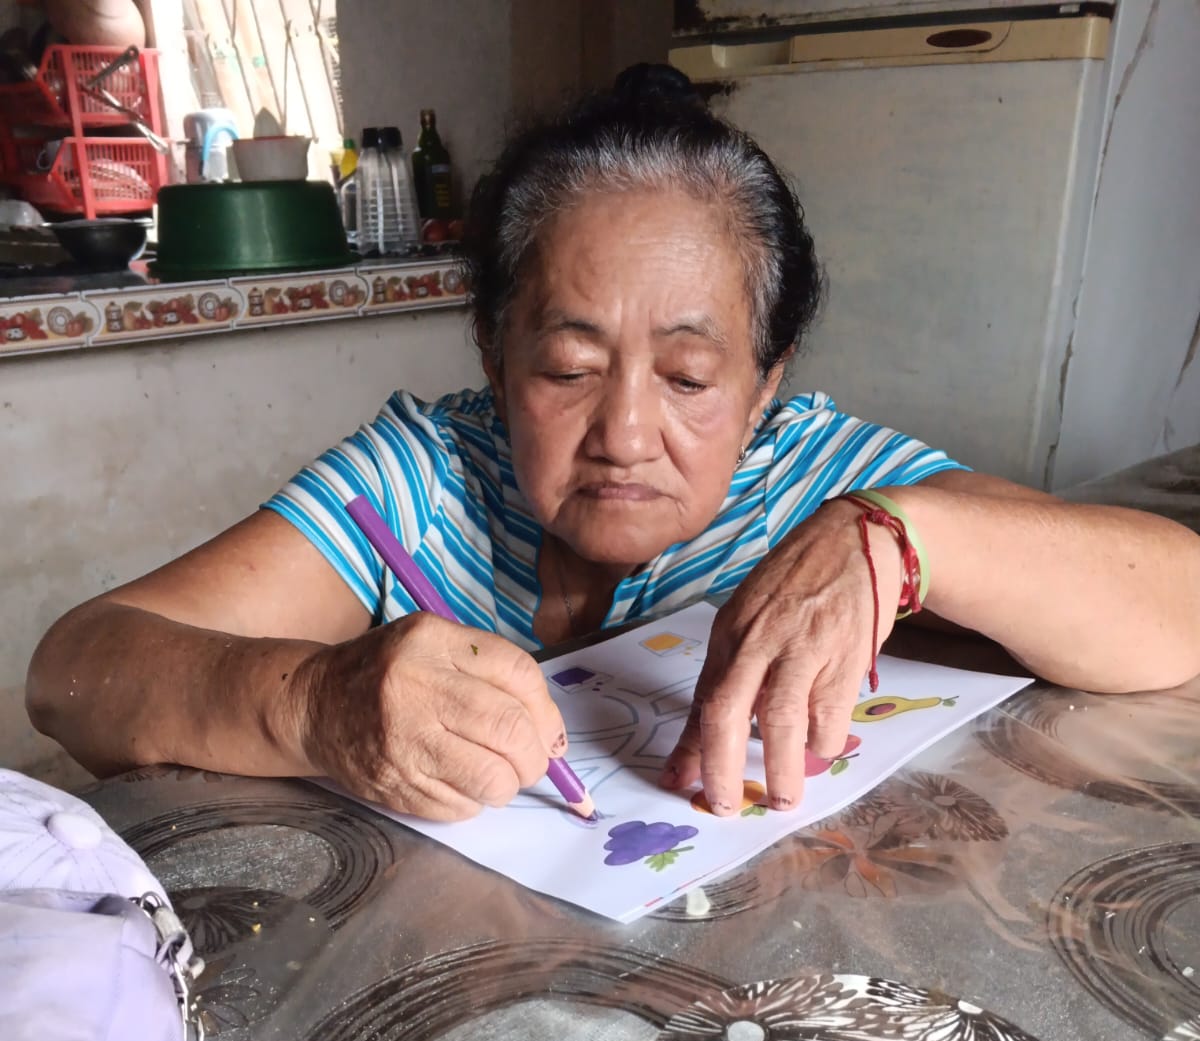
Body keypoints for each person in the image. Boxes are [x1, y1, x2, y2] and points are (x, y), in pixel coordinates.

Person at [26, 67, 1200, 822]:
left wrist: (902, 537)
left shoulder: (811, 480)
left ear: (765, 383)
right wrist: (314, 701)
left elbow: (1177, 603)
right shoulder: (421, 483)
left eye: (689, 378)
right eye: (567, 368)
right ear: (495, 357)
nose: (626, 436)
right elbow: (74, 672)